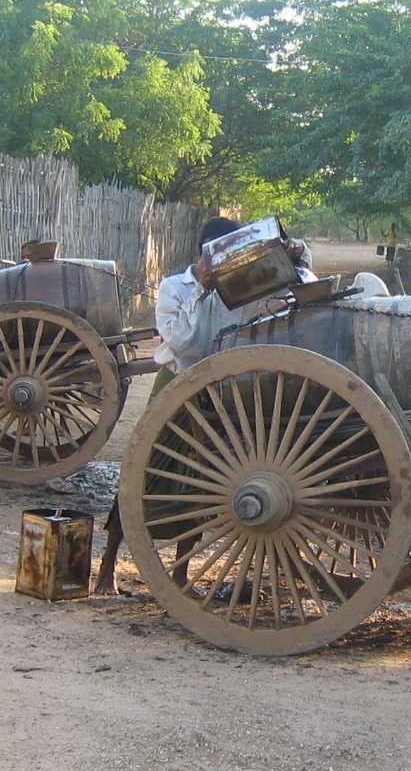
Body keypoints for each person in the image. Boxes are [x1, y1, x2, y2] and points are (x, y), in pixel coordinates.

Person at [93, 216, 314, 594]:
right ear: (207, 254)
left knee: (200, 482)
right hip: (177, 386)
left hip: (223, 390)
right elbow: (183, 343)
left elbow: (303, 289)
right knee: (144, 472)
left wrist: (298, 254)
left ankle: (179, 576)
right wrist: (201, 291)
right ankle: (107, 569)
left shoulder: (244, 286)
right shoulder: (174, 288)